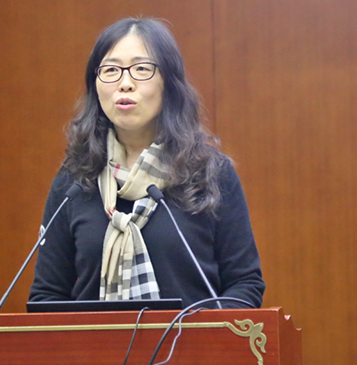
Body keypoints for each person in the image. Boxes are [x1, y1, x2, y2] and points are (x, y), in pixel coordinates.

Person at [29, 18, 265, 308]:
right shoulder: (75, 181)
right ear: (95, 85)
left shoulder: (208, 173)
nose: (125, 84)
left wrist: (208, 332)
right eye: (111, 70)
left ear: (169, 82)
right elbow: (47, 295)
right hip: (96, 341)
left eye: (141, 69)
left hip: (190, 338)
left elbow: (244, 283)